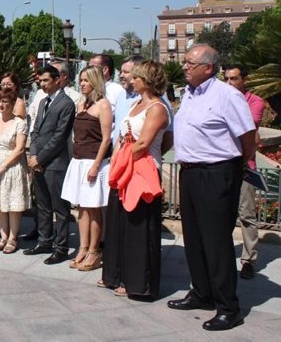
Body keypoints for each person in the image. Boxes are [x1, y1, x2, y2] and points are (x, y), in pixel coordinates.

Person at [167, 44, 255, 331]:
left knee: (216, 241)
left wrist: (239, 166)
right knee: (194, 238)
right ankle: (202, 292)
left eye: (190, 63)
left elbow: (247, 136)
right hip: (190, 173)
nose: (184, 67)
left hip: (217, 172)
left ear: (209, 67)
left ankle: (228, 306)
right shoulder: (188, 94)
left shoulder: (227, 95)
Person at [107, 60, 170, 298]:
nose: (131, 80)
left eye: (136, 77)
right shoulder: (135, 103)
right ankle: (119, 274)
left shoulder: (157, 108)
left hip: (142, 171)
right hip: (125, 169)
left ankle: (138, 282)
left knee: (139, 228)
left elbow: (143, 143)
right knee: (121, 224)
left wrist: (119, 160)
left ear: (147, 79)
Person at [61, 65, 112, 271]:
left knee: (93, 208)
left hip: (93, 163)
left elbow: (106, 138)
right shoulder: (81, 104)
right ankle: (82, 247)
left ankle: (94, 251)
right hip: (79, 161)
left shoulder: (103, 105)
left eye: (86, 80)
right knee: (81, 209)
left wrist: (97, 165)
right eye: (81, 80)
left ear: (95, 81)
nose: (82, 83)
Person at [25, 65, 76, 263]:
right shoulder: (42, 102)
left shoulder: (66, 104)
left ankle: (61, 247)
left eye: (46, 80)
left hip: (56, 164)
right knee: (43, 205)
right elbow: (35, 130)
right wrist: (34, 154)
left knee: (60, 208)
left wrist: (40, 158)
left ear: (57, 80)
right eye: (40, 81)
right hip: (39, 162)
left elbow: (59, 137)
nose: (42, 84)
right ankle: (44, 240)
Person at [224, 63, 265, 280]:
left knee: (246, 215)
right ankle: (224, 256)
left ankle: (249, 259)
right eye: (227, 79)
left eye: (234, 79)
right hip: (223, 166)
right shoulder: (223, 98)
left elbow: (245, 127)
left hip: (245, 167)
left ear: (244, 80)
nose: (230, 83)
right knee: (222, 214)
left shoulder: (255, 102)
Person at [0, 88, 30, 254]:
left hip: (11, 167)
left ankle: (12, 238)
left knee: (12, 204)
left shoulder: (19, 123)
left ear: (12, 104)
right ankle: (3, 236)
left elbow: (19, 148)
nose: (2, 105)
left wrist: (3, 165)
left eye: (5, 101)